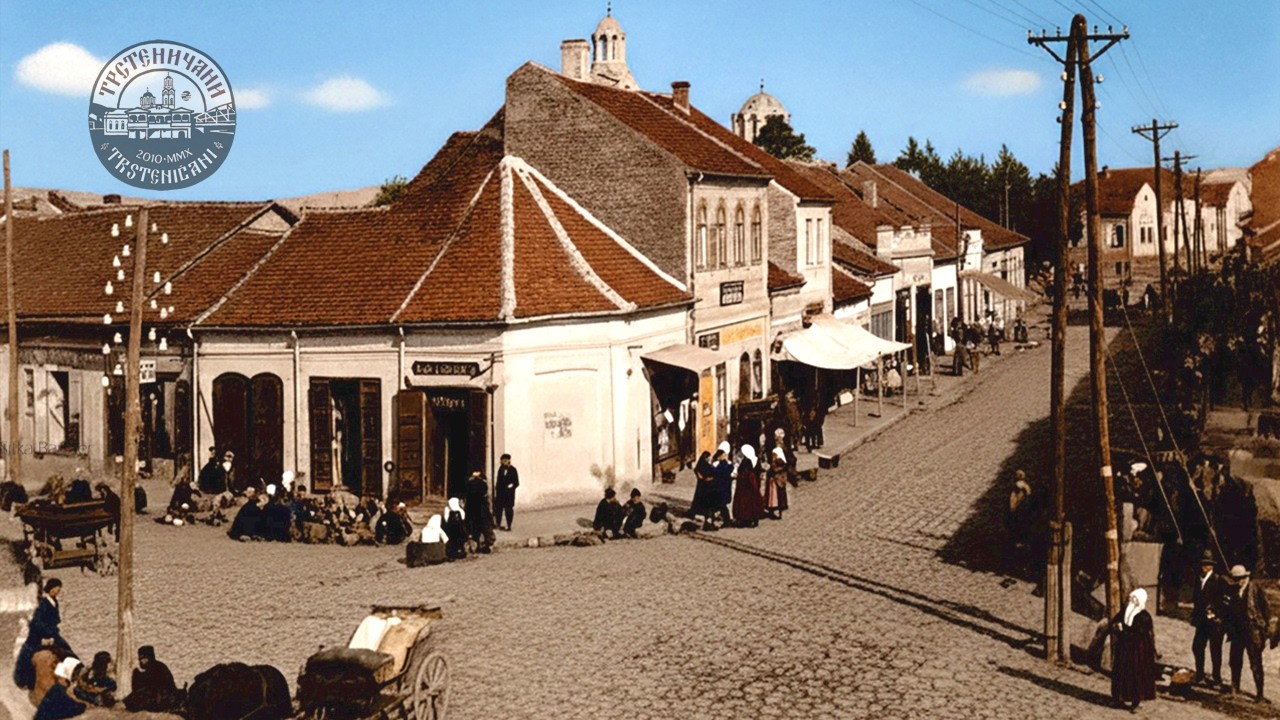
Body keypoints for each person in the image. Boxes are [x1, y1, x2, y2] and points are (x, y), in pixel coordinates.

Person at [15, 578, 74, 690]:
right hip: (38, 634)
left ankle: (72, 674)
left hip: (52, 632)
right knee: (30, 654)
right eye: (55, 588)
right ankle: (26, 680)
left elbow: (55, 618)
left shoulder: (54, 601)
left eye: (59, 589)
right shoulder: (43, 604)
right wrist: (46, 636)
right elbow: (36, 623)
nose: (57, 591)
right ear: (50, 589)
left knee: (66, 650)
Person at [1225, 564, 1271, 703]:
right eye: (1235, 579)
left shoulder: (1255, 589)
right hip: (1237, 632)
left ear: (1246, 577)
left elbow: (1266, 609)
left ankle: (1260, 694)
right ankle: (1235, 688)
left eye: (1240, 578)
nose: (1238, 581)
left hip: (1253, 631)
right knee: (1234, 661)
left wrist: (1264, 628)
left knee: (1256, 663)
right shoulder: (1233, 591)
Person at [1110, 588, 1157, 712]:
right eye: (1132, 598)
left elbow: (1138, 634)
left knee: (1135, 675)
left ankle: (1135, 702)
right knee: (1121, 672)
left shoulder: (1144, 616)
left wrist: (1122, 631)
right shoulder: (1126, 611)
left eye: (1135, 598)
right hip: (1124, 648)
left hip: (1137, 650)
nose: (1132, 600)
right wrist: (1116, 627)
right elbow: (1115, 620)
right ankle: (1119, 697)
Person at [1191, 550, 1227, 688]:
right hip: (1201, 622)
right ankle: (1199, 674)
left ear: (1212, 566)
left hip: (1214, 622)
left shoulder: (1218, 580)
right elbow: (1196, 599)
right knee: (1197, 647)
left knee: (1215, 650)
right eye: (1203, 564)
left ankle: (1216, 677)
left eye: (1207, 564)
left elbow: (1225, 601)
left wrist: (1218, 615)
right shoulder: (1198, 579)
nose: (1204, 567)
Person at [123, 645, 180, 713]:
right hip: (157, 695)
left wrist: (137, 675)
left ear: (149, 658)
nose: (141, 661)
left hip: (163, 696)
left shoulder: (157, 667)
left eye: (144, 658)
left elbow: (150, 685)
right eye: (140, 659)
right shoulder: (152, 667)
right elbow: (138, 687)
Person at [732, 445, 765, 528]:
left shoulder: (747, 461)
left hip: (746, 485)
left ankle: (747, 519)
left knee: (747, 503)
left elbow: (743, 471)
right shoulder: (755, 460)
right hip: (753, 483)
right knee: (752, 502)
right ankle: (750, 519)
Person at [464, 471, 495, 553]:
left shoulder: (470, 483)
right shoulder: (482, 483)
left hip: (473, 510)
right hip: (482, 511)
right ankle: (487, 545)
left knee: (475, 529)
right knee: (485, 529)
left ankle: (477, 545)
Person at [494, 453, 519, 532]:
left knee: (508, 510)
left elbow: (516, 482)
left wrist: (511, 487)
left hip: (509, 494)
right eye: (502, 461)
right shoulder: (500, 469)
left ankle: (509, 525)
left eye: (505, 461)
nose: (503, 462)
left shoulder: (513, 470)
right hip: (500, 494)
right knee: (499, 510)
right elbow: (498, 481)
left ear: (508, 461)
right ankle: (498, 524)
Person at [763, 447, 790, 520]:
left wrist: (772, 473)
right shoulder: (776, 461)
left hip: (777, 481)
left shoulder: (779, 462)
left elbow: (776, 470)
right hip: (774, 482)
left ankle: (777, 510)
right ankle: (772, 510)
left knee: (777, 497)